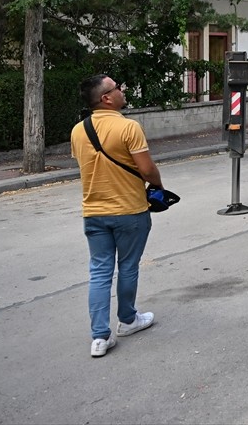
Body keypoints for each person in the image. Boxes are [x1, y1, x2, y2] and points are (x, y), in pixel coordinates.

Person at [70, 74, 162, 358]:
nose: (122, 90)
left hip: (93, 212)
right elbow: (146, 170)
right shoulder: (128, 127)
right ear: (106, 98)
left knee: (99, 272)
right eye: (117, 88)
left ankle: (99, 337)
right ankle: (128, 320)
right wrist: (158, 185)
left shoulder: (78, 131)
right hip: (129, 210)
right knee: (128, 266)